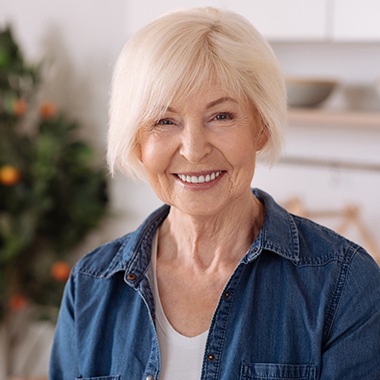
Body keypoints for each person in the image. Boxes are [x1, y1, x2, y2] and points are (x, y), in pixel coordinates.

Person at [49, 7, 380, 380]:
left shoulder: (345, 284)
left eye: (221, 116)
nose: (193, 149)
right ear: (137, 142)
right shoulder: (91, 286)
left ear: (262, 127)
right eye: (164, 121)